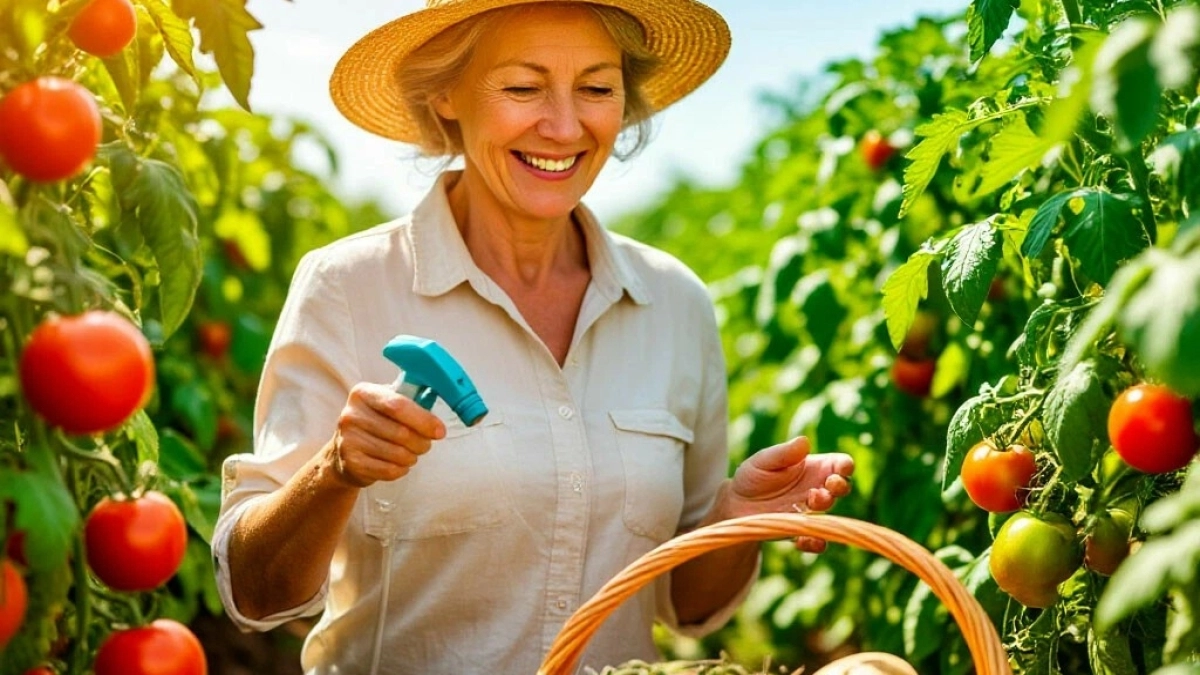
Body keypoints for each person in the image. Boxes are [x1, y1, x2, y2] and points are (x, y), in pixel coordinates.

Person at [212, 1, 856, 673]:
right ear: (446, 92)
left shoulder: (675, 303)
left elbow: (686, 608)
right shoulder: (349, 286)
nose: (565, 125)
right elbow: (257, 592)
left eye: (597, 88)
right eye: (522, 87)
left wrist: (736, 516)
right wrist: (335, 469)